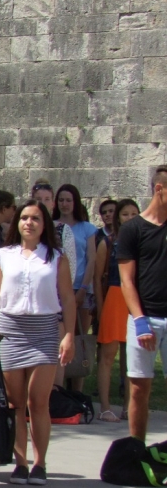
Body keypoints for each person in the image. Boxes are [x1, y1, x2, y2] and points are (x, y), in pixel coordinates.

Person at [0, 200, 76, 484]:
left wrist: (69, 335)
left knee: (38, 401)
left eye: (35, 218)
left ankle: (40, 463)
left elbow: (67, 298)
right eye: (24, 217)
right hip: (10, 330)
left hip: (44, 330)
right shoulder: (3, 255)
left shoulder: (56, 257)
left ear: (44, 224)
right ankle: (20, 463)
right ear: (17, 222)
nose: (29, 223)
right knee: (15, 404)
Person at [118, 166, 167, 442]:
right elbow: (127, 280)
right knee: (138, 387)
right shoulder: (132, 229)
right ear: (159, 190)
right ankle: (137, 450)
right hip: (144, 319)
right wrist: (139, 320)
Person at [94, 198, 139, 422]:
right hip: (114, 297)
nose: (129, 218)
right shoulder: (108, 243)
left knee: (133, 357)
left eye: (134, 214)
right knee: (108, 356)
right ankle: (105, 406)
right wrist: (101, 308)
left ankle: (129, 407)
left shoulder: (144, 242)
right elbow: (97, 278)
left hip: (137, 300)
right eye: (125, 214)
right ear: (118, 218)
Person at [53, 183, 98, 381]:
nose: (64, 204)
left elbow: (91, 260)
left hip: (81, 287)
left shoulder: (87, 228)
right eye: (61, 200)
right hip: (57, 290)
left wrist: (83, 288)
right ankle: (59, 382)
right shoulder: (51, 225)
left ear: (75, 202)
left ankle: (77, 387)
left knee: (79, 337)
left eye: (68, 200)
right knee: (60, 336)